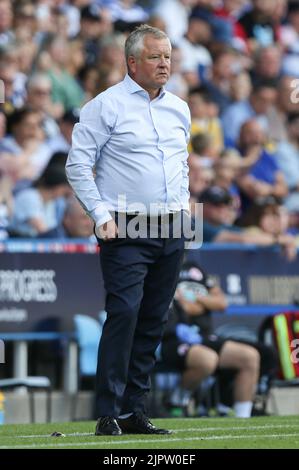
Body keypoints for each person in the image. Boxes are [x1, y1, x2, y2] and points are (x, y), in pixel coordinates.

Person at [66, 25, 191, 436]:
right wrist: (100, 214)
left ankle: (134, 410)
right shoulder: (105, 106)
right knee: (124, 313)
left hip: (172, 226)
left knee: (154, 320)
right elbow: (78, 165)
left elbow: (178, 165)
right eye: (155, 57)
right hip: (125, 226)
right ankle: (108, 412)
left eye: (168, 56)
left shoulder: (180, 108)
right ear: (132, 61)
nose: (164, 64)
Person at [161, 260, 277, 418]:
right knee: (207, 359)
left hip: (203, 336)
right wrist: (202, 301)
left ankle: (243, 417)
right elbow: (185, 308)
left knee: (250, 356)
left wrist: (193, 297)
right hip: (173, 336)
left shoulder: (194, 268)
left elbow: (221, 303)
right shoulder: (161, 267)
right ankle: (177, 398)